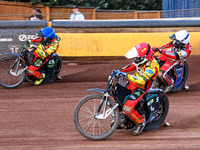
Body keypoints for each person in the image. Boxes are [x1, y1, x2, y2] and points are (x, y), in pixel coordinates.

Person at [115, 43, 159, 135]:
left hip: (141, 88)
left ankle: (140, 122)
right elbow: (132, 66)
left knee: (127, 108)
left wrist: (126, 75)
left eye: (138, 58)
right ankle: (122, 119)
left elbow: (142, 81)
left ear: (145, 57)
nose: (136, 60)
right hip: (132, 84)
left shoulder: (152, 66)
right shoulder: (141, 61)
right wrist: (119, 71)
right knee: (118, 98)